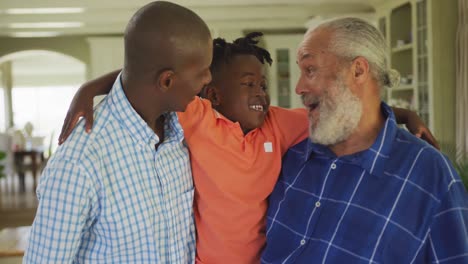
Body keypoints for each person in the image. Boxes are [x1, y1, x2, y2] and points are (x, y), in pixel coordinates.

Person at [58, 33, 438, 263]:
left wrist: (402, 113)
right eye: (248, 84)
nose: (261, 91)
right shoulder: (201, 117)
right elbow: (155, 80)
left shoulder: (278, 124)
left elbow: (339, 113)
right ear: (215, 94)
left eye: (262, 84)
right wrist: (89, 89)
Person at [262, 17, 468, 264]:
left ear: (358, 70)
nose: (298, 87)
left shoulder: (432, 176)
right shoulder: (291, 156)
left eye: (310, 70)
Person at [23, 2, 212, 263]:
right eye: (201, 73)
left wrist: (90, 87)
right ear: (167, 81)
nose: (208, 80)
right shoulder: (78, 164)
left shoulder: (182, 130)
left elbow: (144, 71)